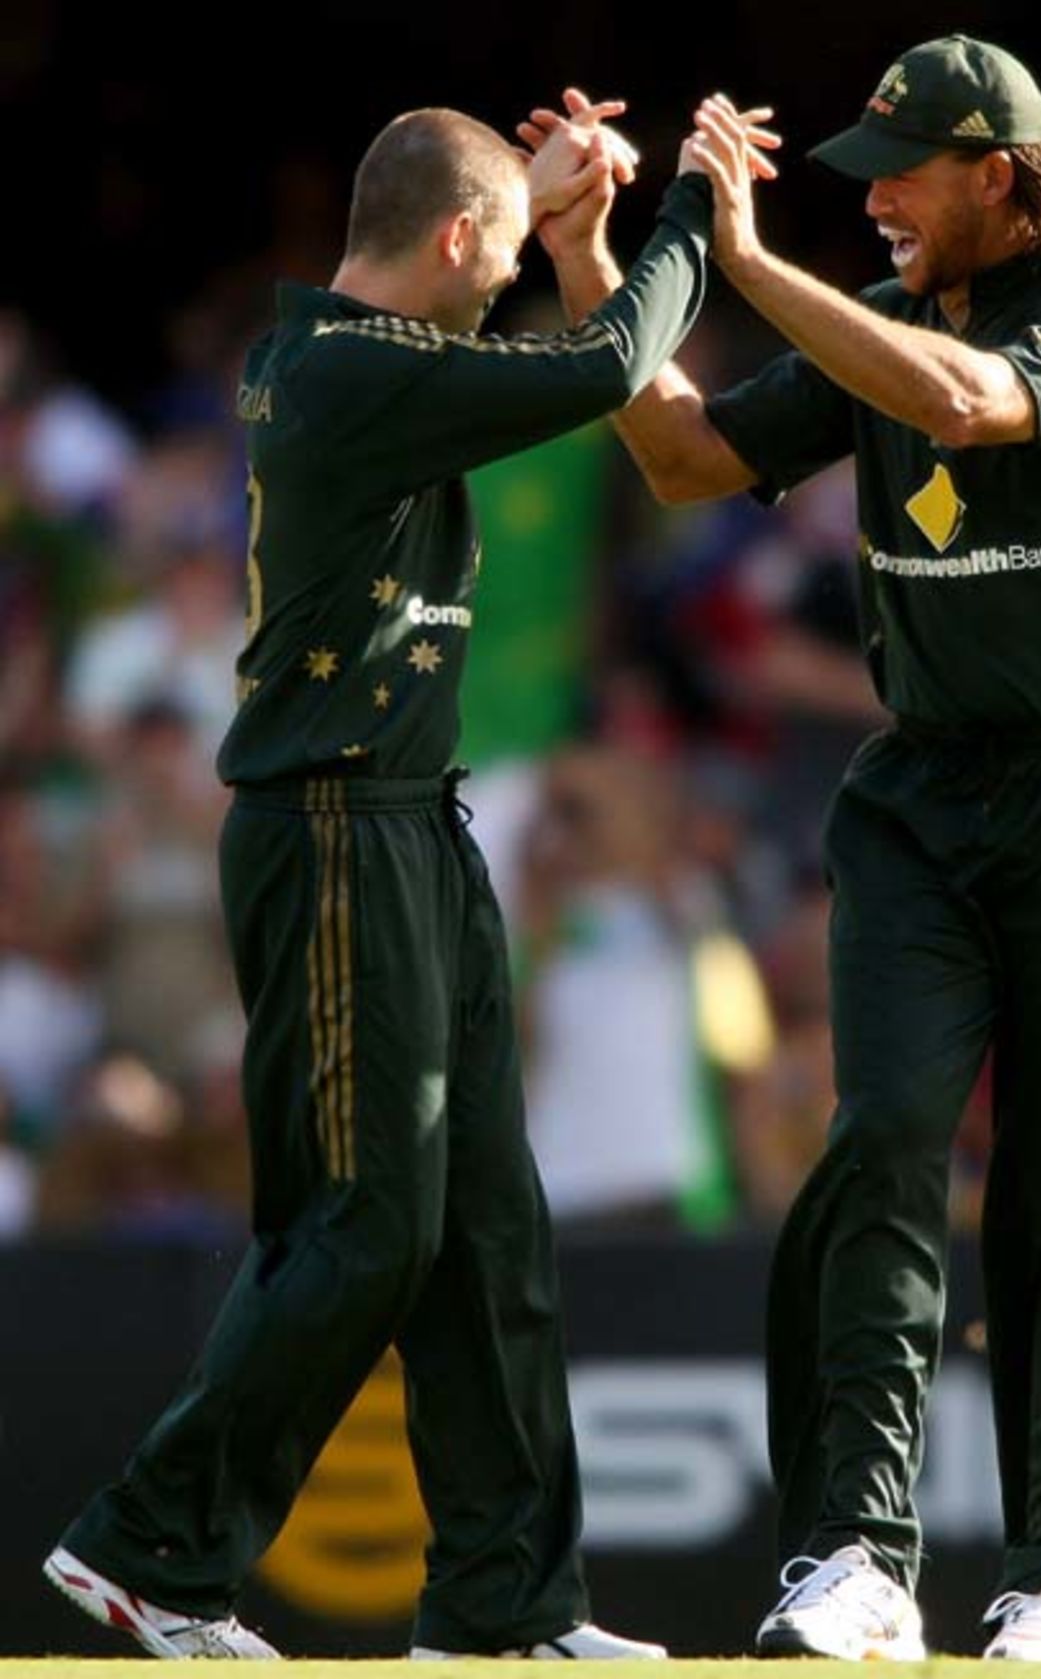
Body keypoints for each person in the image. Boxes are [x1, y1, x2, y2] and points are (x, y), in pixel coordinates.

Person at [526, 36, 1041, 1662]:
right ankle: (852, 1560)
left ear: (1002, 176)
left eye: (902, 170)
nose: (876, 199)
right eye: (861, 173)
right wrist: (586, 256)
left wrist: (753, 261)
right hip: (919, 802)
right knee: (882, 1131)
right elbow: (686, 460)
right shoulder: (881, 329)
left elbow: (971, 410)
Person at [42, 98, 735, 1662]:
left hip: (414, 821)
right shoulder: (350, 369)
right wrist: (690, 214)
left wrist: (552, 219)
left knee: (489, 1230)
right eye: (493, 253)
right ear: (450, 241)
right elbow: (609, 365)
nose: (502, 280)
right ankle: (155, 1549)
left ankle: (507, 1608)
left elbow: (535, 318)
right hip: (334, 825)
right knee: (368, 1225)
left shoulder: (366, 361)